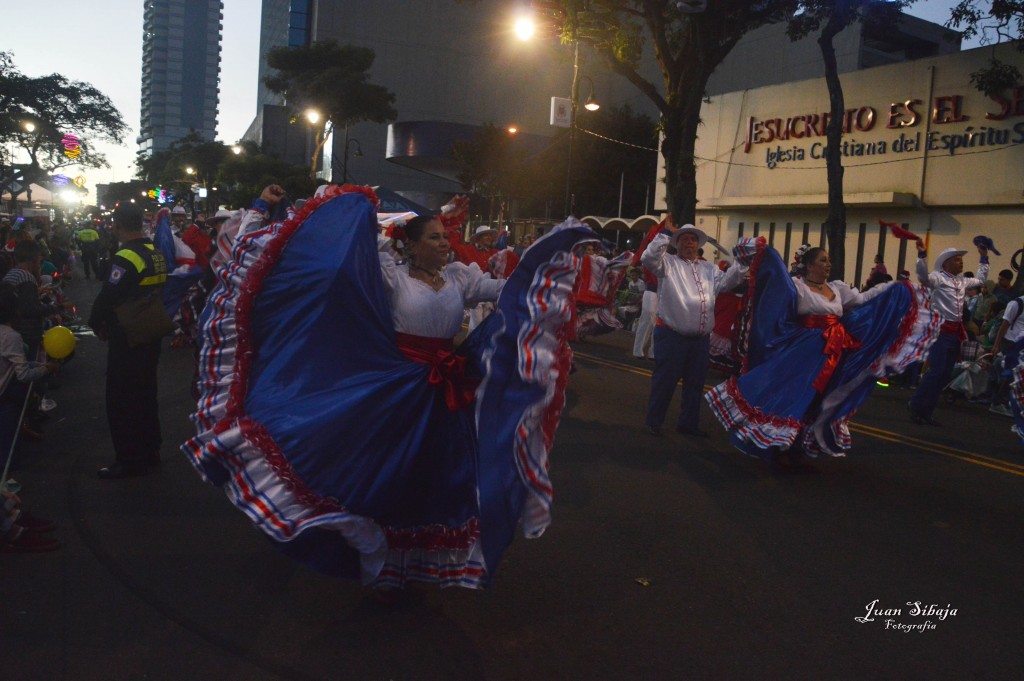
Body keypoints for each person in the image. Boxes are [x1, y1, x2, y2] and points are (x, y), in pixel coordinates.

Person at [182, 184, 596, 590]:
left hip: (444, 391)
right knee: (381, 472)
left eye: (445, 237)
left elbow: (511, 292)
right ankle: (366, 549)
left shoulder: (459, 278)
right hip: (396, 388)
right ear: (412, 246)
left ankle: (406, 560)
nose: (444, 244)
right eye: (434, 238)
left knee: (433, 478)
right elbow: (343, 264)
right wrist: (291, 213)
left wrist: (550, 261)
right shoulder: (391, 277)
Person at [706, 242, 938, 460]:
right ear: (808, 265)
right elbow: (777, 295)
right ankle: (776, 442)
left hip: (835, 351)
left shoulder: (837, 288)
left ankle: (800, 443)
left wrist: (893, 287)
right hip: (803, 352)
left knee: (820, 399)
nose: (828, 264)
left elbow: (862, 299)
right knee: (795, 394)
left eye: (828, 261)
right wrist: (764, 253)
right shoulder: (796, 286)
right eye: (823, 260)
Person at [642, 221, 747, 437]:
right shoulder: (668, 263)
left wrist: (743, 261)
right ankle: (654, 421)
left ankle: (688, 424)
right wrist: (664, 234)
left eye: (692, 239)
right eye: (684, 239)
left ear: (698, 245)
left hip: (700, 340)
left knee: (695, 384)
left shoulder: (709, 269)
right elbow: (648, 258)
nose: (689, 242)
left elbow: (729, 282)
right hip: (672, 335)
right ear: (676, 244)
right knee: (665, 382)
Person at [89, 203, 169, 479]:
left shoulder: (126, 256)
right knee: (146, 393)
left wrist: (95, 322)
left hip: (128, 335)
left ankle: (128, 459)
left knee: (122, 399)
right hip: (151, 331)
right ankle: (150, 450)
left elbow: (108, 295)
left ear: (118, 226)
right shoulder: (155, 252)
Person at [909, 239, 989, 425]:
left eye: (961, 259)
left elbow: (981, 279)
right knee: (937, 372)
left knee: (944, 374)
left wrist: (984, 258)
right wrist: (922, 256)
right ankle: (918, 405)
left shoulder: (961, 281)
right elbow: (923, 278)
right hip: (940, 332)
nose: (961, 262)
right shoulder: (938, 277)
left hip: (954, 334)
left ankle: (923, 408)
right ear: (946, 263)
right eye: (957, 259)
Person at [2, 240, 63, 360]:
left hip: (14, 328)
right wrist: (55, 307)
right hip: (27, 332)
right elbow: (29, 309)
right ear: (34, 259)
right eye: (39, 259)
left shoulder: (11, 274)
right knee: (30, 363)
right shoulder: (27, 278)